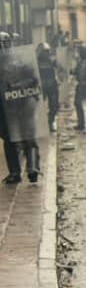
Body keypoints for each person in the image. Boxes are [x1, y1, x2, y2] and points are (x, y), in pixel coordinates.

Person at [0, 33, 41, 183]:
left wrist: (17, 86)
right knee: (9, 139)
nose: (3, 47)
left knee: (28, 136)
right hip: (4, 107)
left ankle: (33, 168)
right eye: (0, 44)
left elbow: (33, 80)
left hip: (23, 101)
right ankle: (15, 173)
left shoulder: (22, 59)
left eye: (5, 43)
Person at [0, 32, 21, 184]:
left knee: (9, 138)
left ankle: (15, 171)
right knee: (7, 137)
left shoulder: (14, 61)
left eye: (5, 42)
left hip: (10, 103)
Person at [36, 42, 59, 131]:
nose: (46, 53)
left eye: (47, 51)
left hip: (52, 85)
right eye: (45, 51)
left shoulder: (52, 61)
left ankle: (50, 122)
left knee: (54, 106)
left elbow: (60, 69)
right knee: (39, 107)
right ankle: (41, 124)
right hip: (41, 86)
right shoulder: (36, 62)